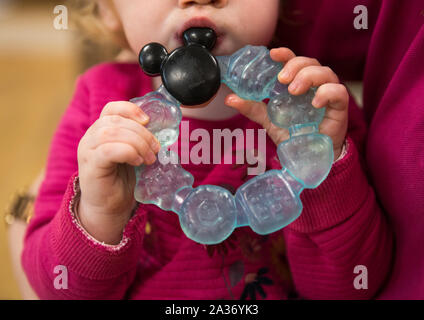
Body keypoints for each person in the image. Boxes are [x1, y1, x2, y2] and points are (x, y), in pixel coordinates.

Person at [21, 0, 393, 299]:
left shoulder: (313, 109)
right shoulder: (99, 103)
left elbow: (353, 286)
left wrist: (320, 163)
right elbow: (57, 286)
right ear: (107, 9)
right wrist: (99, 212)